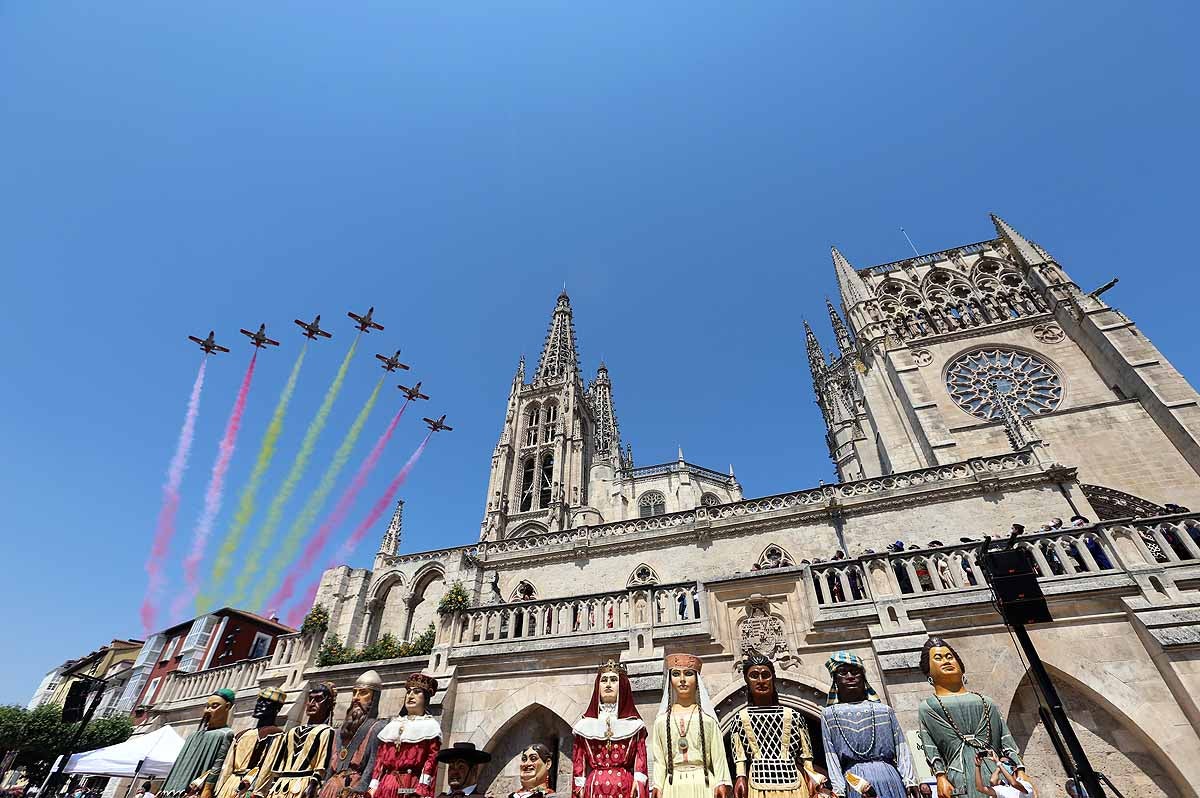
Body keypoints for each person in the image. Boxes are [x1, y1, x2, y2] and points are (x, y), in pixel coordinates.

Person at [916, 639, 1029, 798]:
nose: (946, 661)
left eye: (949, 656)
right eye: (938, 658)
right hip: (960, 775)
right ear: (928, 671)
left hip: (998, 774)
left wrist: (1020, 770)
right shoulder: (928, 708)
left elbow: (1006, 739)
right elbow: (930, 746)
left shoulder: (986, 702)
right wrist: (940, 776)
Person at [819, 652, 917, 798]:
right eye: (843, 673)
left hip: (890, 777)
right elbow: (831, 755)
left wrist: (910, 781)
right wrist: (838, 791)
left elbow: (901, 747)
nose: (850, 676)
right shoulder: (828, 715)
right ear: (835, 680)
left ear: (863, 678)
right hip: (855, 782)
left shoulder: (884, 710)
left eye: (855, 672)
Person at [730, 653, 818, 798]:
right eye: (754, 676)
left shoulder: (794, 716)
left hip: (794, 784)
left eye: (765, 675)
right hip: (758, 785)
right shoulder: (740, 718)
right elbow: (739, 756)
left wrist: (811, 775)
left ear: (773, 678)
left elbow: (806, 754)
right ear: (747, 680)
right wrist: (740, 777)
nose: (760, 680)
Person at [650, 653, 730, 798]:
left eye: (688, 674)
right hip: (672, 785)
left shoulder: (708, 719)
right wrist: (657, 785)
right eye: (676, 674)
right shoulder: (661, 721)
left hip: (703, 783)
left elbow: (718, 756)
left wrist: (721, 781)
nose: (682, 680)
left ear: (696, 679)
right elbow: (659, 760)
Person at [571, 660, 647, 798]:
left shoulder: (635, 725)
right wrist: (579, 785)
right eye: (604, 680)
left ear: (622, 686)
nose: (608, 684)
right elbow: (578, 761)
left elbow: (640, 758)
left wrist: (639, 779)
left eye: (613, 680)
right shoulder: (585, 725)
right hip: (594, 787)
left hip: (625, 787)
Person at [372, 674, 442, 798]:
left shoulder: (430, 726)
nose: (410, 695)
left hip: (409, 787)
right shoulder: (393, 725)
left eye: (417, 692)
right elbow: (380, 760)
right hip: (385, 785)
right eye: (408, 692)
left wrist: (422, 789)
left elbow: (431, 762)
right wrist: (373, 786)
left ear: (425, 697)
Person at [318, 671, 386, 798]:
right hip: (330, 788)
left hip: (354, 789)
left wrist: (361, 790)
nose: (356, 697)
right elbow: (331, 765)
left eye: (363, 693)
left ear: (374, 697)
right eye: (354, 692)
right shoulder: (339, 731)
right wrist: (324, 785)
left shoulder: (377, 728)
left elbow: (372, 765)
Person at [264, 682, 337, 798]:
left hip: (303, 787)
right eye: (310, 699)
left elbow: (322, 764)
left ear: (328, 703)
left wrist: (313, 785)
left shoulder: (326, 731)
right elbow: (279, 764)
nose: (312, 704)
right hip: (279, 788)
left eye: (318, 699)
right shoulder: (291, 732)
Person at [211, 687, 287, 798]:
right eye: (259, 700)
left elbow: (267, 768)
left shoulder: (276, 734)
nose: (259, 704)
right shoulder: (241, 735)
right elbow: (228, 767)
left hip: (250, 787)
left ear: (277, 708)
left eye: (266, 702)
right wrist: (219, 789)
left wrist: (257, 793)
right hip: (229, 786)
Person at [162, 689, 237, 798]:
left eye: (214, 706)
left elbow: (217, 765)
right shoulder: (193, 736)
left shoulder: (226, 734)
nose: (208, 711)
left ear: (227, 707)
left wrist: (207, 789)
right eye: (207, 706)